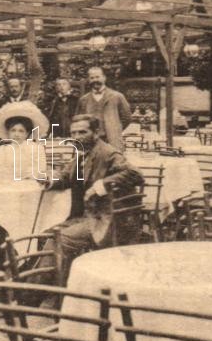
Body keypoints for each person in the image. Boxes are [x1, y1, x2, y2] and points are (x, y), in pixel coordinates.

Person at [44, 114, 143, 274]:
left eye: (82, 132)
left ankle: (34, 288)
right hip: (85, 216)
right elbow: (67, 177)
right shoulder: (81, 153)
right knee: (44, 235)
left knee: (59, 239)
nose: (77, 137)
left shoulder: (108, 153)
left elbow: (135, 174)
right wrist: (48, 179)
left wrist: (100, 185)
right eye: (73, 133)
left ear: (96, 133)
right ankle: (57, 281)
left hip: (108, 219)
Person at [76, 67, 132, 151]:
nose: (95, 80)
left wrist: (115, 129)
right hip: (91, 142)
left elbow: (127, 117)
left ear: (104, 78)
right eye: (92, 78)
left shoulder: (117, 96)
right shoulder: (83, 100)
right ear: (88, 80)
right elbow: (79, 121)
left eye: (97, 77)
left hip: (112, 142)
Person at [0, 101, 50, 181]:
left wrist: (25, 175)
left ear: (27, 133)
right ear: (8, 132)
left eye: (21, 131)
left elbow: (41, 168)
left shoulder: (37, 148)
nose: (16, 134)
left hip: (30, 183)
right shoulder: (3, 150)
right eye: (13, 130)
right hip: (8, 183)